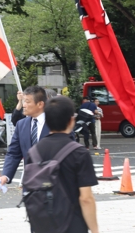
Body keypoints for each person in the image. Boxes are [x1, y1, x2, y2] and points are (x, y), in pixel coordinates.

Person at [34, 96, 99, 233]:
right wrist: (95, 230)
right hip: (72, 224)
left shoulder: (33, 152)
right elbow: (86, 198)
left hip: (42, 224)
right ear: (71, 120)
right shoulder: (79, 153)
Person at [0, 85, 49, 187]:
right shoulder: (21, 125)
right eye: (23, 101)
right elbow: (13, 153)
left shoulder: (56, 123)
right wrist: (6, 175)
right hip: (30, 184)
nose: (24, 105)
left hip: (52, 184)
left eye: (27, 102)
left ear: (40, 104)